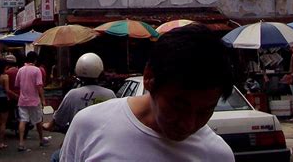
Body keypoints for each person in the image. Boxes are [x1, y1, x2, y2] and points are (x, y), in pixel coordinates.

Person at [60, 24, 235, 161]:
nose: (188, 124)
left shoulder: (218, 155)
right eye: (178, 106)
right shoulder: (88, 125)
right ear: (149, 78)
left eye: (204, 111)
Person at [45, 53, 116, 162]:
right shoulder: (110, 94)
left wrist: (48, 125)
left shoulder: (73, 94)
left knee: (56, 157)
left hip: (80, 145)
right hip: (104, 144)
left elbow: (58, 120)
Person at [15, 50, 49, 152]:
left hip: (22, 100)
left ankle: (21, 143)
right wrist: (43, 99)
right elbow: (39, 86)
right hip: (34, 100)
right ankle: (41, 139)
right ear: (35, 60)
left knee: (23, 120)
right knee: (38, 120)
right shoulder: (37, 70)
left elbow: (17, 84)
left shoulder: (20, 70)